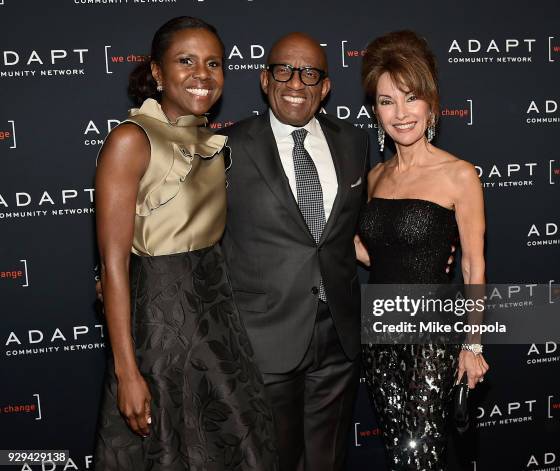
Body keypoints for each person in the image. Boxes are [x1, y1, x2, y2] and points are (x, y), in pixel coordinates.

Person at [93, 16, 277, 471]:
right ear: (157, 72)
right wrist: (127, 371)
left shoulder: (209, 141)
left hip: (217, 321)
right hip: (161, 331)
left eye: (213, 63)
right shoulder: (131, 140)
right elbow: (114, 266)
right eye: (186, 61)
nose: (202, 74)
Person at [222, 32, 369, 470]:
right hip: (265, 334)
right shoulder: (226, 147)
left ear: (325, 87)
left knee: (328, 459)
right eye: (284, 70)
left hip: (338, 333)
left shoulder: (355, 142)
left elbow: (353, 226)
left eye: (309, 74)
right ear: (265, 79)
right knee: (273, 459)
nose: (295, 83)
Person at [355, 30, 490, 470]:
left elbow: (472, 265)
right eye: (386, 100)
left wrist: (473, 342)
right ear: (375, 111)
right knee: (400, 451)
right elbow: (368, 249)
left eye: (410, 98)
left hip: (431, 336)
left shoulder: (459, 175)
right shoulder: (375, 177)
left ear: (430, 104)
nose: (400, 113)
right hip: (379, 334)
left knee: (423, 455)